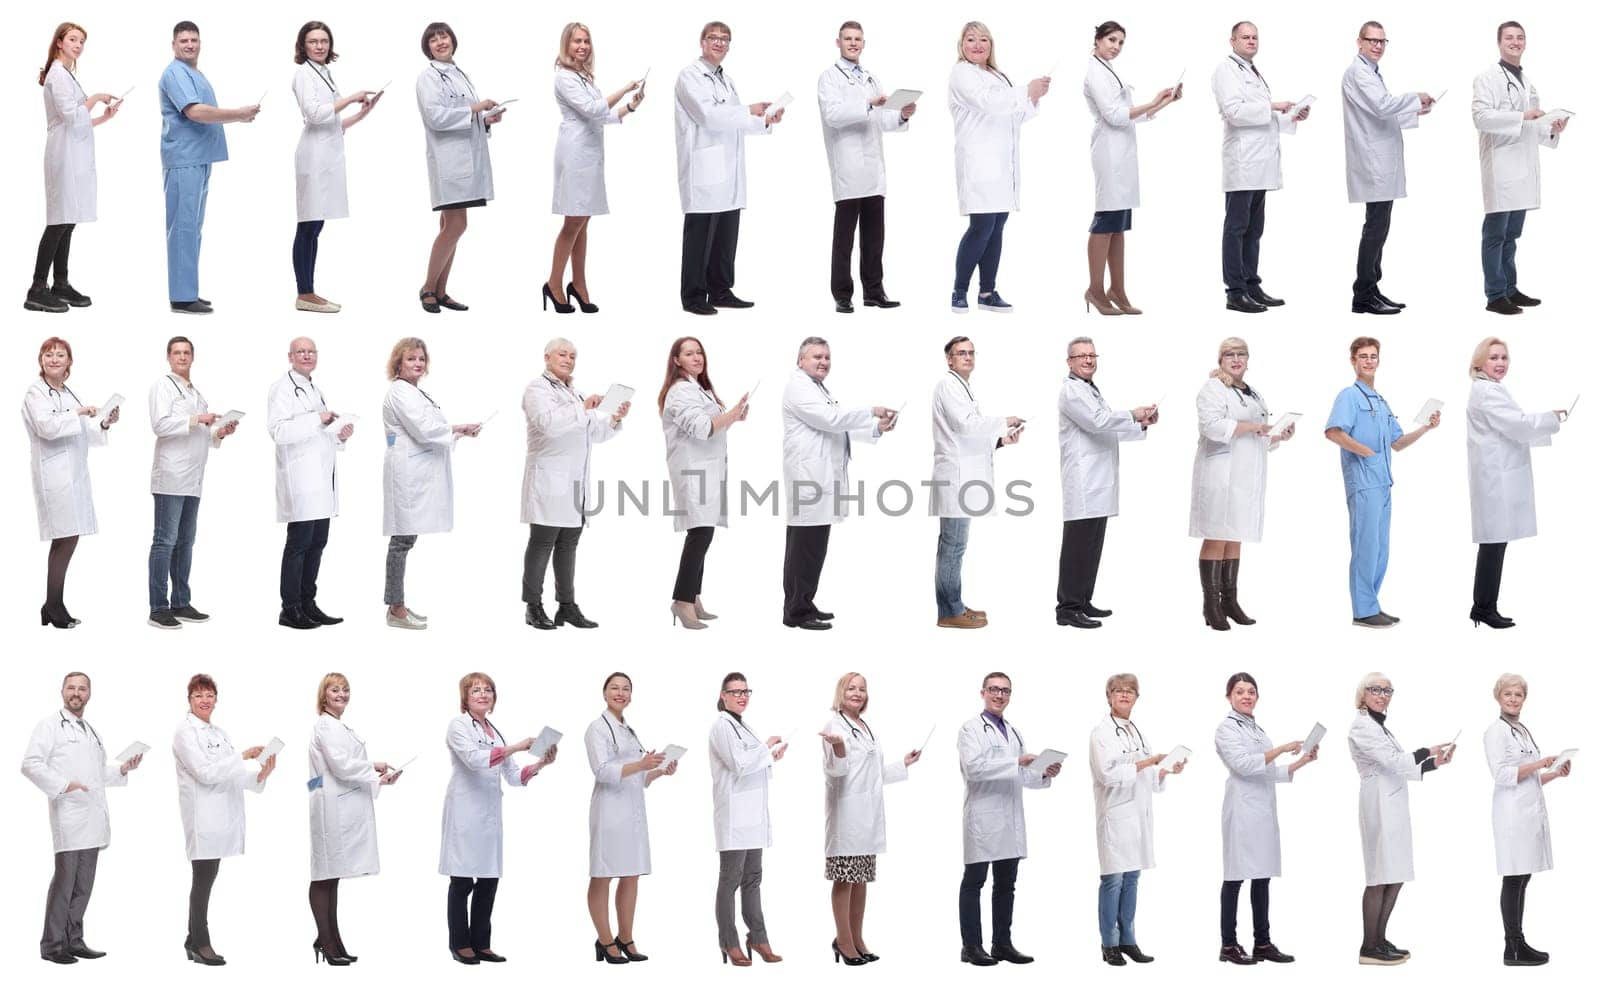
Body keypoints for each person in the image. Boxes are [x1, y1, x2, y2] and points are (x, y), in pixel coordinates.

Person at [21, 672, 143, 964]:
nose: (77, 692)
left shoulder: (90, 730)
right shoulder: (50, 726)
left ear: (89, 694)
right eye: (72, 688)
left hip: (92, 820)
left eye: (82, 688)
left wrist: (123, 769)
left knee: (83, 885)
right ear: (62, 691)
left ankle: (73, 940)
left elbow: (97, 773)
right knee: (65, 884)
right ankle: (52, 946)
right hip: (70, 815)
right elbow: (30, 764)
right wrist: (64, 786)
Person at [441, 672, 557, 964]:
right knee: (463, 882)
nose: (483, 694)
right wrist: (517, 746)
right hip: (466, 813)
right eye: (476, 690)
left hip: (490, 816)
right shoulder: (458, 726)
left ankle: (481, 943)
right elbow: (473, 759)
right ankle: (459, 944)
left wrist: (541, 761)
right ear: (465, 698)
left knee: (489, 881)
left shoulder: (495, 731)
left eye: (488, 690)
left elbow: (514, 777)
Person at [1323, 337, 1440, 628]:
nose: (1368, 361)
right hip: (1364, 481)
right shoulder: (1349, 396)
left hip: (1384, 482)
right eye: (1362, 356)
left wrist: (1426, 427)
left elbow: (1398, 442)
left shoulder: (1381, 401)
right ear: (1353, 361)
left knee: (1380, 548)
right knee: (1366, 546)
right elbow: (1333, 432)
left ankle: (1371, 604)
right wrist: (1367, 453)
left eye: (1373, 356)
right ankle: (1362, 610)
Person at [781, 337, 895, 630]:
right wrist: (871, 410)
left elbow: (836, 427)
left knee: (814, 548)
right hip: (809, 480)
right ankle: (795, 612)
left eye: (827, 357)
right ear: (800, 360)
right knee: (804, 549)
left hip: (821, 479)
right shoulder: (798, 386)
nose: (823, 362)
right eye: (817, 356)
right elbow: (832, 420)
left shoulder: (817, 388)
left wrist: (875, 429)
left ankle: (805, 603)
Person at [1347, 672, 1456, 965]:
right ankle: (1368, 946)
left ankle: (1380, 940)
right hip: (1378, 805)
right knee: (1379, 876)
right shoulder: (1362, 726)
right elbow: (1393, 762)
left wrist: (1435, 763)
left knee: (1395, 874)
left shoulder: (1382, 728)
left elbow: (1400, 768)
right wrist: (1427, 750)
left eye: (1387, 690)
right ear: (1363, 695)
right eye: (1375, 689)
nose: (1382, 695)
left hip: (1393, 804)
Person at [675, 21, 781, 315]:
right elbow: (708, 116)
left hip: (729, 168)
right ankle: (694, 296)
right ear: (702, 42)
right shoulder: (689, 77)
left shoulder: (726, 79)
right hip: (705, 168)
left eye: (724, 39)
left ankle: (720, 290)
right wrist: (749, 109)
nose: (719, 43)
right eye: (713, 38)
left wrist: (764, 120)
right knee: (700, 235)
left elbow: (734, 120)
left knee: (725, 233)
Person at [172, 673, 277, 966]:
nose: (204, 700)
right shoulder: (185, 732)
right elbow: (205, 773)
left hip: (221, 816)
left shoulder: (219, 733)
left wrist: (260, 775)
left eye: (209, 695)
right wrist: (242, 755)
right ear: (189, 700)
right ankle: (200, 942)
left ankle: (192, 940)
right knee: (203, 880)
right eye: (198, 696)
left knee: (207, 878)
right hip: (203, 816)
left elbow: (230, 774)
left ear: (216, 700)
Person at [1213, 672, 1317, 965]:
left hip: (1262, 811)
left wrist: (1301, 762)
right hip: (1242, 810)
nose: (1247, 696)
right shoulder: (1226, 729)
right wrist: (1283, 748)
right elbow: (1244, 766)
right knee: (1234, 878)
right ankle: (1229, 945)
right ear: (1229, 697)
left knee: (1262, 877)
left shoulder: (1257, 730)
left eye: (1251, 692)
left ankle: (1263, 942)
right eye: (1240, 692)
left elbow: (1267, 771)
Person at [522, 337, 626, 629]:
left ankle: (566, 606)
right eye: (562, 354)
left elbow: (594, 433)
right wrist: (584, 407)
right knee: (542, 543)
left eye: (572, 356)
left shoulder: (575, 393)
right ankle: (533, 606)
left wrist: (614, 419)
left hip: (574, 485)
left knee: (568, 545)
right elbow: (548, 424)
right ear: (547, 357)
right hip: (548, 480)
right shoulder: (537, 389)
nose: (568, 360)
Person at [1190, 337, 1293, 631]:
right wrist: (1254, 427)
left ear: (1248, 359)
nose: (1236, 359)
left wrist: (1277, 436)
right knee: (1216, 534)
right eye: (1229, 354)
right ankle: (1211, 605)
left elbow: (1257, 438)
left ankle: (1230, 601)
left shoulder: (1253, 393)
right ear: (1220, 359)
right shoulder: (1213, 388)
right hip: (1220, 473)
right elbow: (1210, 426)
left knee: (1235, 534)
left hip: (1245, 474)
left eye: (1241, 354)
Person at [957, 672, 1058, 966]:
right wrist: (1016, 761)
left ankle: (1002, 944)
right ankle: (971, 946)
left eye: (1005, 691)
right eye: (994, 690)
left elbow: (1024, 776)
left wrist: (1043, 771)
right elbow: (974, 769)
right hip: (983, 818)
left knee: (1006, 884)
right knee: (974, 881)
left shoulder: (1014, 732)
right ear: (983, 693)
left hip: (1009, 820)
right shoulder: (971, 729)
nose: (1000, 695)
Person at [948, 21, 1049, 313]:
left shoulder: (997, 75)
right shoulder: (961, 74)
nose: (978, 45)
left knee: (997, 227)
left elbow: (1012, 114)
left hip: (1002, 165)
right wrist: (1024, 90)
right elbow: (987, 102)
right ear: (962, 45)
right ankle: (959, 290)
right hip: (978, 161)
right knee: (981, 226)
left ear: (991, 46)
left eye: (984, 40)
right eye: (971, 39)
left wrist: (1032, 97)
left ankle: (987, 292)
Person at [381, 337, 481, 629]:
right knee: (401, 540)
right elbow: (424, 430)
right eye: (411, 359)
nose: (417, 364)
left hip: (417, 471)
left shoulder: (416, 392)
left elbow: (432, 428)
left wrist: (458, 429)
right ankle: (395, 609)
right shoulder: (400, 392)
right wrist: (454, 430)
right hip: (407, 473)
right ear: (398, 362)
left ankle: (398, 604)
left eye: (421, 359)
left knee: (406, 538)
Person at [159, 21, 259, 315]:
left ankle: (188, 291)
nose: (189, 44)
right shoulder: (174, 73)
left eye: (193, 40)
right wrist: (238, 114)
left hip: (199, 157)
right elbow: (195, 111)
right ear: (174, 45)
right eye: (183, 40)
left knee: (193, 228)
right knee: (183, 227)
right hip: (184, 158)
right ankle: (180, 296)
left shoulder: (193, 72)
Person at [820, 672, 920, 964]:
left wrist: (903, 763)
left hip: (867, 818)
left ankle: (858, 937)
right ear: (841, 692)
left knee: (860, 880)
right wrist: (838, 749)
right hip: (847, 818)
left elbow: (874, 774)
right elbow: (836, 771)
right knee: (844, 880)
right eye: (851, 688)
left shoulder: (865, 727)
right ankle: (843, 941)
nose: (857, 693)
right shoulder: (834, 726)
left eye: (862, 689)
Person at [1056, 336, 1156, 628]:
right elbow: (1099, 422)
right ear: (1069, 362)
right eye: (1081, 356)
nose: (1088, 360)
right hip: (1083, 482)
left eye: (1092, 355)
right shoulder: (1071, 392)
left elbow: (1106, 427)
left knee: (1092, 545)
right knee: (1077, 547)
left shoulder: (1091, 391)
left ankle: (1083, 600)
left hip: (1098, 481)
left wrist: (1141, 424)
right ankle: (1068, 607)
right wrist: (1132, 414)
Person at [1465, 338, 1564, 628]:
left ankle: (1484, 606)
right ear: (1479, 362)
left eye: (1504, 358)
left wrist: (1545, 420)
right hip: (1496, 478)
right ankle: (1483, 607)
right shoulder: (1486, 392)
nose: (1500, 363)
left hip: (1496, 475)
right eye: (1493, 357)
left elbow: (1513, 425)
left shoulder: (1489, 389)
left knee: (1495, 544)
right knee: (1493, 544)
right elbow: (1517, 425)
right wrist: (1552, 419)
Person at [1211, 21, 1309, 313]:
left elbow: (1262, 116)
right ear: (1232, 40)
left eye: (1255, 37)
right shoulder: (1225, 70)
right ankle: (1235, 292)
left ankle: (1252, 284)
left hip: (1259, 164)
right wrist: (1273, 106)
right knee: (1237, 228)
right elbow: (1235, 112)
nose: (1251, 41)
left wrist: (1290, 115)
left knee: (1254, 229)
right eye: (1245, 37)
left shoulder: (1251, 69)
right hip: (1243, 163)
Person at [1082, 21, 1179, 315]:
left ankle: (1118, 290)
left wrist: (1163, 103)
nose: (1116, 46)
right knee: (1105, 221)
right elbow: (1114, 116)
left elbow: (1130, 117)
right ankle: (1095, 290)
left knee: (1119, 226)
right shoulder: (1095, 72)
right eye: (1111, 39)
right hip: (1109, 154)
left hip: (1123, 152)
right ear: (1097, 39)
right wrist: (1151, 101)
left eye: (1121, 42)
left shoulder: (1110, 70)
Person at [545, 22, 642, 314]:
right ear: (566, 45)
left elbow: (601, 116)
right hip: (575, 154)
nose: (582, 46)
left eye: (586, 41)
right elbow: (593, 110)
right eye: (577, 41)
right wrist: (624, 89)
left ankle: (579, 283)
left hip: (589, 154)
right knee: (572, 221)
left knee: (584, 221)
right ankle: (553, 283)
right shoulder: (564, 77)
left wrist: (632, 107)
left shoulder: (584, 77)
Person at [818, 20, 914, 313]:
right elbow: (833, 114)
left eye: (858, 39)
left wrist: (902, 115)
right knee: (844, 240)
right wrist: (869, 105)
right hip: (847, 167)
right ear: (838, 42)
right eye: (848, 38)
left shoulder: (871, 78)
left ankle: (874, 291)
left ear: (863, 43)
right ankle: (842, 294)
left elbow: (882, 120)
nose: (853, 43)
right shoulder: (829, 78)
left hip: (873, 170)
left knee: (874, 237)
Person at [1473, 22, 1568, 315]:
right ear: (1499, 42)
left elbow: (1533, 127)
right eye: (1509, 38)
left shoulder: (1528, 83)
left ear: (1525, 43)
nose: (1515, 42)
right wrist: (1522, 115)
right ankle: (1495, 295)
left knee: (1512, 236)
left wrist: (1552, 127)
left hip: (1523, 169)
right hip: (1501, 167)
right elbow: (1481, 117)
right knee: (1495, 235)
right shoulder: (1486, 78)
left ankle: (1510, 289)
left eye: (1520, 38)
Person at [25, 336, 118, 629]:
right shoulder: (35, 393)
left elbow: (80, 432)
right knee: (64, 538)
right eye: (49, 354)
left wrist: (103, 422)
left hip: (73, 475)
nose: (54, 359)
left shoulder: (67, 393)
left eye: (60, 355)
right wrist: (78, 413)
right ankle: (53, 605)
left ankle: (54, 604)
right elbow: (48, 427)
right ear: (41, 360)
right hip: (53, 476)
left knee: (68, 537)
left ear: (69, 363)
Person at [1089, 673, 1182, 966]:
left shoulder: (1136, 732)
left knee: (1132, 879)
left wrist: (1165, 769)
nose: (1125, 695)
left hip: (1138, 818)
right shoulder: (1101, 732)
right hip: (1116, 816)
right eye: (1118, 691)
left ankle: (1128, 939)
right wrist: (1151, 761)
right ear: (1109, 697)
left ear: (1137, 698)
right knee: (1113, 880)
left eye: (1130, 691)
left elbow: (1148, 778)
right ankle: (1109, 944)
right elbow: (1108, 774)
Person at [308, 672, 401, 966]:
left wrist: (374, 766)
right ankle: (326, 940)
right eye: (335, 689)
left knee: (332, 874)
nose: (342, 694)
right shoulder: (326, 725)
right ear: (324, 695)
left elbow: (344, 761)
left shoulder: (337, 726)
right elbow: (341, 765)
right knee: (324, 874)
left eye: (346, 690)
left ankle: (331, 939)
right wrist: (378, 778)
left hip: (333, 801)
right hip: (331, 807)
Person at [584, 672, 677, 963]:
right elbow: (603, 771)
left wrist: (659, 770)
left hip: (632, 810)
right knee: (604, 874)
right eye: (614, 688)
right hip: (610, 811)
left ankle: (626, 937)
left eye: (626, 689)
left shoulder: (628, 729)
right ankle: (605, 940)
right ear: (604, 692)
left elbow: (639, 777)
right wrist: (640, 764)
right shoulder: (596, 729)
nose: (620, 693)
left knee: (631, 874)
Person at [26, 22, 118, 314]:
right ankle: (37, 289)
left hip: (73, 154)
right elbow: (69, 115)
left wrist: (104, 117)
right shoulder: (56, 74)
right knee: (58, 221)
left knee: (69, 218)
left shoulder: (66, 75)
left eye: (82, 41)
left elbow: (78, 121)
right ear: (59, 43)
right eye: (73, 40)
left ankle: (61, 283)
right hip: (62, 155)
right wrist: (96, 97)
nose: (78, 45)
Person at [148, 335, 238, 630]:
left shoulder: (195, 392)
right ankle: (158, 607)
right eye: (177, 352)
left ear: (193, 357)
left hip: (193, 479)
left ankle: (181, 602)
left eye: (187, 352)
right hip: (171, 477)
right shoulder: (163, 386)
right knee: (165, 542)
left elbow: (202, 434)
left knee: (185, 543)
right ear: (168, 357)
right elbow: (160, 425)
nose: (182, 357)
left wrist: (219, 432)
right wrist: (198, 419)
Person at [932, 336, 1023, 629]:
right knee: (953, 545)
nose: (968, 357)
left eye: (971, 352)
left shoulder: (962, 387)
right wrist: (1003, 420)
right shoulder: (948, 385)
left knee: (956, 545)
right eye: (961, 353)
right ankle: (948, 611)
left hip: (964, 474)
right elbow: (965, 426)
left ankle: (954, 604)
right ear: (949, 359)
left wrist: (1000, 440)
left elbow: (967, 435)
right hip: (956, 477)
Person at [659, 337, 749, 629]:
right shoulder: (680, 391)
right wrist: (731, 415)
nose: (697, 357)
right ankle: (681, 601)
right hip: (693, 471)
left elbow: (712, 424)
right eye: (689, 353)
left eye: (699, 352)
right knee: (699, 535)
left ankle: (693, 597)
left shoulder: (699, 389)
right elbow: (701, 428)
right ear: (676, 360)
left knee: (704, 534)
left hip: (706, 470)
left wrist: (734, 417)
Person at [1342, 22, 1431, 316]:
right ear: (1359, 41)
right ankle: (1363, 295)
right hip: (1373, 162)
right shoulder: (1358, 73)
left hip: (1381, 161)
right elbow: (1382, 106)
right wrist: (1414, 98)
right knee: (1375, 229)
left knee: (1379, 229)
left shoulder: (1371, 73)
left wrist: (1414, 109)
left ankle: (1372, 288)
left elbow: (1382, 112)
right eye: (1372, 41)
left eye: (1382, 41)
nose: (1378, 46)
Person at [291, 20, 379, 314]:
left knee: (316, 225)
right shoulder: (304, 74)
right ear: (303, 46)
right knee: (308, 225)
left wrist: (362, 113)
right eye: (313, 41)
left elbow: (333, 123)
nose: (319, 46)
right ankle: (305, 292)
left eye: (324, 41)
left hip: (326, 154)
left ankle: (309, 292)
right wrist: (350, 98)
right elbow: (315, 115)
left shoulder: (324, 73)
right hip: (313, 156)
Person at [416, 22, 503, 314]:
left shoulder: (458, 73)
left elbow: (461, 115)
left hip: (465, 159)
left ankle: (441, 290)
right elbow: (436, 117)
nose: (441, 42)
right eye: (434, 39)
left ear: (453, 40)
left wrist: (485, 120)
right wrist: (476, 110)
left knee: (449, 225)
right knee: (457, 225)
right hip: (450, 162)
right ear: (427, 46)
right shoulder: (428, 77)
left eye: (444, 36)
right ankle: (428, 287)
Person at [1483, 673, 1570, 966]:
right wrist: (1539, 762)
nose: (1513, 699)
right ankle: (1512, 946)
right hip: (1511, 816)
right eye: (1508, 694)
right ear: (1498, 697)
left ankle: (1519, 943)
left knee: (1523, 876)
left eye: (1518, 695)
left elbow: (1530, 779)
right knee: (1514, 876)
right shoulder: (1495, 732)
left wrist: (1554, 772)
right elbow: (1503, 774)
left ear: (1524, 699)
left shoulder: (1521, 729)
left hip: (1527, 812)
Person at [269, 337, 353, 629]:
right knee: (299, 544)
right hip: (301, 479)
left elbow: (320, 432)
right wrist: (318, 418)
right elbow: (278, 431)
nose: (306, 355)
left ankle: (308, 602)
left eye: (311, 351)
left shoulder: (315, 389)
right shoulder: (282, 388)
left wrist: (339, 434)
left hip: (322, 480)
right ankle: (289, 608)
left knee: (318, 543)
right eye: (300, 352)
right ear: (289, 356)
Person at [709, 673, 787, 966]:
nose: (742, 696)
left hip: (753, 817)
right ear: (723, 695)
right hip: (734, 817)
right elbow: (740, 765)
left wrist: (770, 755)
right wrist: (766, 749)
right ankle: (728, 942)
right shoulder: (721, 726)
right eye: (735, 691)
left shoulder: (744, 726)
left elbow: (754, 762)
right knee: (730, 880)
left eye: (746, 691)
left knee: (753, 879)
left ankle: (758, 937)